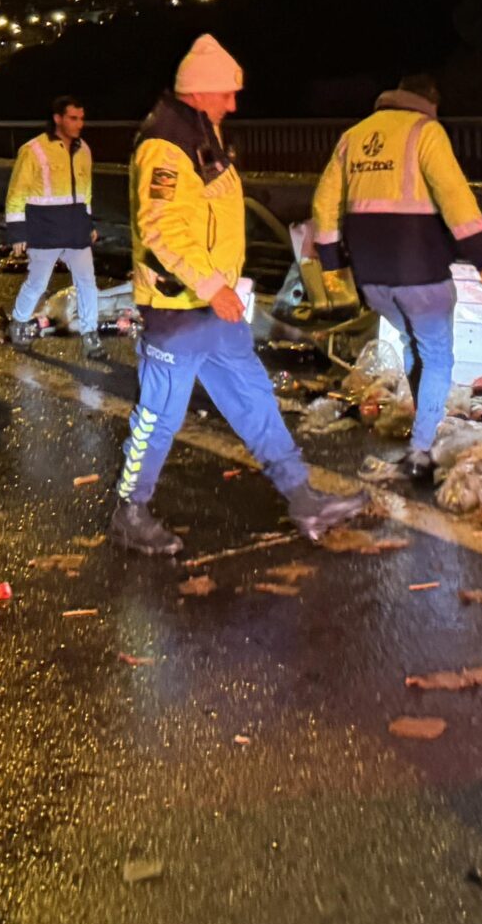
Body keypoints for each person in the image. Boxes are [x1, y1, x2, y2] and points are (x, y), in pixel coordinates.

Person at [110, 35, 367, 555]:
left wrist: (223, 290)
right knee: (158, 417)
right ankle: (129, 511)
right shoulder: (167, 142)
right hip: (177, 310)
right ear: (201, 93)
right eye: (227, 93)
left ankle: (301, 497)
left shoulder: (205, 133)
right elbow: (160, 230)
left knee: (254, 400)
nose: (234, 103)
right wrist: (210, 286)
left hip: (217, 308)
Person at [311, 73, 482, 484]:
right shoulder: (425, 131)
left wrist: (330, 262)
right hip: (421, 271)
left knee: (415, 345)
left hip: (372, 277)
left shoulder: (354, 135)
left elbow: (324, 201)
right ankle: (421, 451)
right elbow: (453, 193)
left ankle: (424, 429)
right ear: (429, 102)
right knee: (437, 355)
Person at [3, 94, 105, 357]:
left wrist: (88, 223)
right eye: (73, 118)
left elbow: (86, 193)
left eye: (81, 118)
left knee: (87, 283)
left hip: (75, 230)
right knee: (37, 283)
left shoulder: (84, 150)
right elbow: (17, 192)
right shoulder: (33, 150)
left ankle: (90, 335)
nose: (79, 124)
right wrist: (17, 232)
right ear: (57, 119)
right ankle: (19, 322)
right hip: (44, 230)